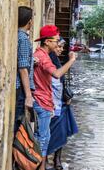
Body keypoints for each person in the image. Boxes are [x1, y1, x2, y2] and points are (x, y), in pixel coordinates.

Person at [33, 25, 77, 170]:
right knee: (43, 138)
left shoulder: (41, 55)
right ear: (47, 42)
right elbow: (57, 75)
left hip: (46, 101)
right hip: (42, 101)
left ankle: (42, 165)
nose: (58, 44)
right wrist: (71, 61)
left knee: (44, 137)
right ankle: (40, 166)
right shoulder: (43, 57)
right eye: (55, 41)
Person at [47, 37, 78, 170]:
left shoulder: (55, 59)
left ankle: (57, 159)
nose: (60, 49)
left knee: (62, 131)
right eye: (58, 46)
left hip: (61, 102)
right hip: (53, 103)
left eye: (62, 47)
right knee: (53, 132)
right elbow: (56, 77)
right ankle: (53, 160)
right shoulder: (48, 60)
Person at [15, 6, 35, 133]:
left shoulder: (17, 36)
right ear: (29, 22)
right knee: (17, 124)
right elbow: (23, 68)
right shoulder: (23, 39)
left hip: (19, 87)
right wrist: (28, 96)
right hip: (20, 88)